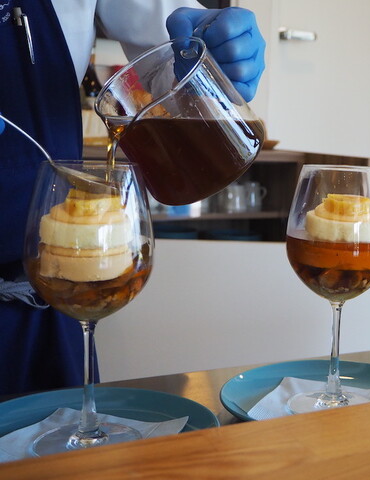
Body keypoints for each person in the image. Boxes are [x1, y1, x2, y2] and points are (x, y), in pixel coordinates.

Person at [0, 0, 265, 395]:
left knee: (63, 430)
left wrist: (209, 48)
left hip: (48, 292)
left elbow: (167, 60)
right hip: (46, 283)